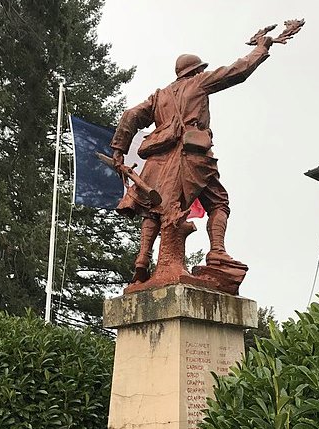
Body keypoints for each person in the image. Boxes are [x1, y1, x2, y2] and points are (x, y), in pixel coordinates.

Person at [111, 36, 274, 283]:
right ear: (196, 70)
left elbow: (130, 115)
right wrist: (262, 48)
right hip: (191, 156)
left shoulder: (159, 96)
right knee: (219, 202)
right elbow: (237, 71)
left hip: (158, 161)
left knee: (154, 210)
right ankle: (217, 252)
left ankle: (143, 258)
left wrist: (119, 148)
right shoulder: (199, 83)